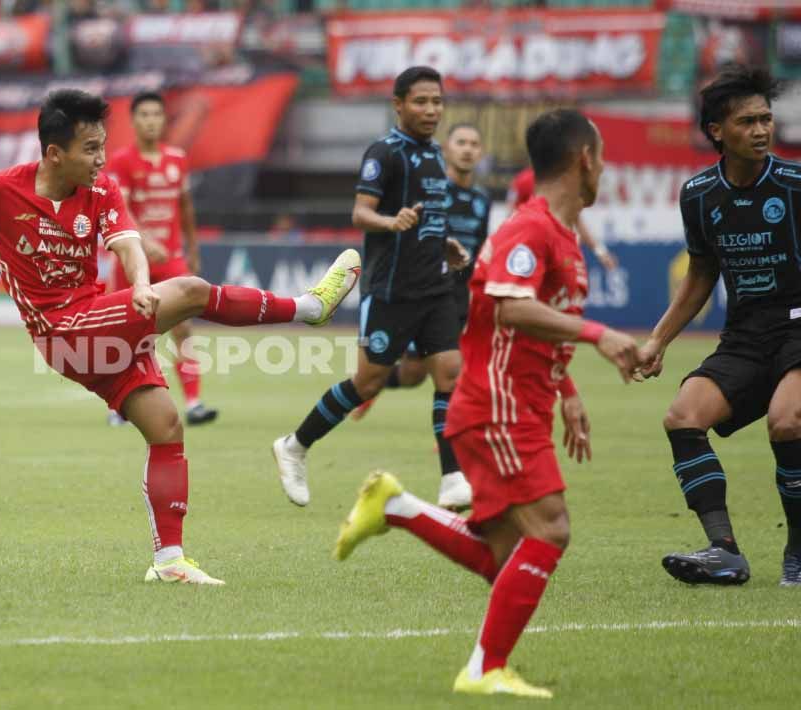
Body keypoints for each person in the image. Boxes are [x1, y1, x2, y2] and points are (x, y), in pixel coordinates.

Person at [0, 89, 360, 585]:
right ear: (55, 153)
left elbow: (127, 243)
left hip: (97, 321)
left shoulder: (100, 189)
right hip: (59, 332)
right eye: (90, 148)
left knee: (167, 426)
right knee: (195, 290)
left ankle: (169, 561)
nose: (101, 158)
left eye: (103, 146)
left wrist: (144, 285)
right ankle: (308, 308)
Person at [332, 108, 639, 699]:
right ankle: (484, 669)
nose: (603, 168)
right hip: (497, 405)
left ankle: (396, 507)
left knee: (504, 556)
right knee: (550, 529)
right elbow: (509, 307)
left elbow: (535, 328)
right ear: (585, 160)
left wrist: (567, 391)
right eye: (600, 157)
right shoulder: (532, 230)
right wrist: (601, 336)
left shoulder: (559, 233)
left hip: (521, 403)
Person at [271, 66, 470, 509]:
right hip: (391, 288)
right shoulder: (385, 152)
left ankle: (452, 476)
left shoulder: (436, 155)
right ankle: (295, 445)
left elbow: (429, 219)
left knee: (450, 374)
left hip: (435, 286)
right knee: (368, 381)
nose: (431, 110)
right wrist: (390, 221)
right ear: (398, 105)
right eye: (421, 101)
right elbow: (362, 213)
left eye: (437, 101)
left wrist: (447, 245)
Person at [635, 65, 801, 587]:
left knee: (787, 421)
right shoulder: (699, 194)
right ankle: (724, 551)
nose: (761, 129)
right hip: (746, 336)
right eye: (747, 120)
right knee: (682, 416)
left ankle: (797, 552)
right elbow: (702, 273)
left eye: (766, 119)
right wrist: (658, 339)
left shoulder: (795, 186)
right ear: (716, 131)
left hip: (799, 328)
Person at [349, 123, 490, 437]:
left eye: (474, 144)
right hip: (423, 287)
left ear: (480, 153)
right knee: (415, 374)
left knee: (448, 370)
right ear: (447, 149)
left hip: (458, 294)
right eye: (461, 142)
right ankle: (370, 386)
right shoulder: (432, 191)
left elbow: (479, 248)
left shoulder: (482, 200)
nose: (468, 149)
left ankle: (453, 440)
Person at [105, 91, 216, 427]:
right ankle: (117, 406)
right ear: (134, 120)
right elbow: (119, 209)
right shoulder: (122, 161)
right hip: (132, 257)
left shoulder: (177, 159)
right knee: (124, 333)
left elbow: (184, 207)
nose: (151, 120)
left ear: (164, 120)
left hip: (170, 258)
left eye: (156, 114)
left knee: (183, 326)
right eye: (144, 115)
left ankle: (194, 402)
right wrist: (144, 239)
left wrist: (193, 249)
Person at [509, 165, 617, 272]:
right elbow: (511, 215)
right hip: (530, 251)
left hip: (559, 254)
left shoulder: (565, 183)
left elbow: (577, 220)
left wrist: (601, 251)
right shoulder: (524, 180)